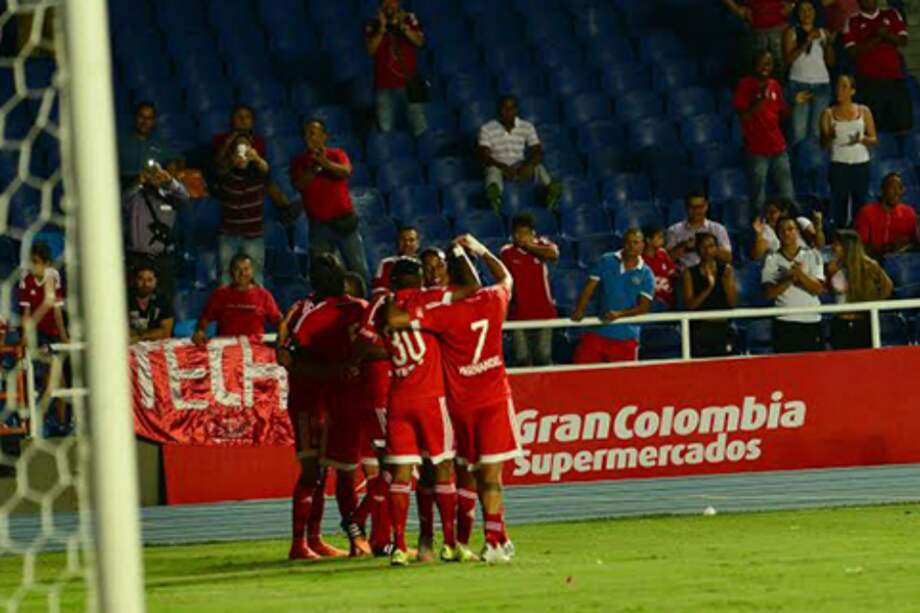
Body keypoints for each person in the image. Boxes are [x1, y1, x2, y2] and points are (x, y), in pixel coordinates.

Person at [387, 236, 521, 564]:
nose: (434, 272)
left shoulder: (439, 311)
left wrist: (391, 298)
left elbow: (395, 321)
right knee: (486, 475)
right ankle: (488, 538)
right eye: (429, 267)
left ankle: (474, 539)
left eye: (440, 266)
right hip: (491, 398)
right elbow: (506, 277)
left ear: (450, 272)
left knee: (465, 473)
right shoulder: (493, 298)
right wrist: (480, 249)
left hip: (458, 404)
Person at [359, 257, 459, 566]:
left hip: (399, 398)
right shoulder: (426, 300)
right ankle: (450, 544)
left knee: (401, 474)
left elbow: (368, 340)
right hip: (431, 398)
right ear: (417, 278)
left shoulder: (385, 307)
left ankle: (400, 546)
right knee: (442, 468)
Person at [287, 255, 372, 559]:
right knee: (323, 473)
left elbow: (288, 355)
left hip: (337, 400)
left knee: (337, 473)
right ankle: (305, 542)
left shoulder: (317, 312)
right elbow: (289, 357)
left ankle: (323, 541)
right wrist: (338, 371)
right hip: (317, 399)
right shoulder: (321, 311)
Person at [290, 120, 369, 284]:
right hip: (319, 226)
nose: (308, 138)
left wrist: (325, 163)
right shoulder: (299, 161)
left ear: (324, 136)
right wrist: (313, 167)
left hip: (345, 222)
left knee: (358, 269)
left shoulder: (337, 154)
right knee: (321, 273)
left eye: (312, 133)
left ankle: (364, 298)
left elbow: (346, 171)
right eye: (305, 134)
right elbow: (300, 185)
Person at [734, 51, 811, 211]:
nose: (765, 67)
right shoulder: (745, 85)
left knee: (788, 193)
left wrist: (794, 102)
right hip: (756, 150)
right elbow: (742, 116)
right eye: (762, 63)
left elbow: (782, 113)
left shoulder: (774, 85)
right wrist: (759, 101)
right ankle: (759, 225)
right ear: (755, 64)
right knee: (758, 196)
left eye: (769, 64)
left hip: (778, 147)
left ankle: (791, 222)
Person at [571, 228, 655, 364]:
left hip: (626, 336)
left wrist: (619, 314)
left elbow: (643, 307)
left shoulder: (647, 274)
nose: (631, 246)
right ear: (623, 243)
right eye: (628, 242)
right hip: (598, 331)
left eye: (635, 242)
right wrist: (580, 309)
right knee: (581, 370)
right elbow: (589, 287)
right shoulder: (606, 260)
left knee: (622, 377)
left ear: (642, 245)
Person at [478, 95, 562, 212]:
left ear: (516, 110)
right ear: (499, 110)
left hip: (520, 165)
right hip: (498, 165)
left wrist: (528, 164)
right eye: (504, 108)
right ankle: (494, 197)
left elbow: (537, 151)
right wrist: (503, 167)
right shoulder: (487, 128)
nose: (508, 112)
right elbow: (484, 156)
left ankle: (550, 190)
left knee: (538, 166)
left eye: (512, 108)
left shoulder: (527, 126)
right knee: (492, 171)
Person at [19, 242, 70, 435]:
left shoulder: (53, 277)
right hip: (37, 334)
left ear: (47, 263)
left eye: (36, 262)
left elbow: (57, 310)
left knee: (60, 380)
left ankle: (61, 423)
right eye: (31, 261)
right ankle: (42, 421)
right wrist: (24, 337)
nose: (33, 266)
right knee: (51, 374)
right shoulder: (25, 279)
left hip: (53, 333)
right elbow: (26, 312)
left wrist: (63, 335)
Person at [121, 160, 189, 303]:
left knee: (166, 299)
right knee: (133, 299)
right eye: (150, 173)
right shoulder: (135, 196)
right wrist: (139, 180)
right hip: (137, 258)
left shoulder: (170, 196)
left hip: (162, 258)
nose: (153, 177)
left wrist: (169, 181)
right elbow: (123, 200)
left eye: (156, 173)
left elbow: (184, 198)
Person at [842, 0, 912, 134]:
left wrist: (887, 34)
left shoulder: (892, 14)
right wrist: (878, 37)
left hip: (894, 78)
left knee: (903, 126)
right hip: (869, 81)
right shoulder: (852, 21)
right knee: (872, 127)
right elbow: (852, 52)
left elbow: (903, 40)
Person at [499, 213, 559, 367]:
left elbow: (554, 255)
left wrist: (529, 246)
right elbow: (504, 283)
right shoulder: (507, 253)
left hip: (544, 313)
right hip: (518, 314)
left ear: (533, 233)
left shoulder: (544, 245)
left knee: (543, 356)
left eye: (525, 233)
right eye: (517, 233)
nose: (521, 237)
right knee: (521, 357)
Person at [820, 74, 878, 227]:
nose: (839, 90)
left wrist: (861, 139)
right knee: (840, 204)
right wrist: (830, 135)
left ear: (852, 91)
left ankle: (859, 235)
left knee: (860, 204)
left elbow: (874, 139)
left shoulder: (864, 111)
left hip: (861, 163)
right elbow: (823, 144)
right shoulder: (828, 113)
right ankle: (840, 235)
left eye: (844, 87)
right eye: (838, 86)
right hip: (839, 164)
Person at [762, 217, 826, 353]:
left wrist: (801, 275)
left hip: (811, 321)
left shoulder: (813, 255)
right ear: (777, 234)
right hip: (784, 322)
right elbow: (768, 293)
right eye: (782, 230)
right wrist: (791, 278)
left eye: (790, 229)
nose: (786, 233)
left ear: (797, 231)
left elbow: (818, 289)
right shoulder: (771, 259)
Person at [214, 132, 271, 285]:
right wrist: (232, 161)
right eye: (238, 149)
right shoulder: (226, 173)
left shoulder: (257, 172)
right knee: (225, 275)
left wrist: (256, 158)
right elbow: (219, 169)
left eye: (246, 148)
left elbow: (266, 169)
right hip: (229, 234)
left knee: (256, 276)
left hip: (253, 234)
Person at [211, 104, 291, 213]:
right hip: (229, 175)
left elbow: (261, 167)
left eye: (247, 117)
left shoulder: (258, 141)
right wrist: (229, 143)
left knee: (265, 176)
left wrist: (253, 155)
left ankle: (286, 208)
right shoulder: (221, 138)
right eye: (239, 117)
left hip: (252, 175)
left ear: (252, 122)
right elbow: (217, 163)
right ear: (232, 121)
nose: (243, 120)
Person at [365, 0, 428, 136]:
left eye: (393, 1)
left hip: (409, 84)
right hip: (384, 85)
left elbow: (419, 42)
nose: (390, 5)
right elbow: (370, 50)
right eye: (386, 2)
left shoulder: (409, 18)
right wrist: (381, 29)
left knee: (420, 126)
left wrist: (403, 26)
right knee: (386, 129)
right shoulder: (373, 23)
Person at [192, 253, 282, 345]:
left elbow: (279, 321)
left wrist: (283, 337)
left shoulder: (264, 295)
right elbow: (204, 319)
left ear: (252, 271)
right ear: (231, 272)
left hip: (256, 348)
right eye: (237, 269)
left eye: (246, 269)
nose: (242, 273)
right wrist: (200, 331)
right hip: (226, 348)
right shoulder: (220, 294)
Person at [825, 228, 893, 349]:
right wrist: (830, 275)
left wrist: (872, 302)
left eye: (837, 244)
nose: (833, 247)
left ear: (848, 246)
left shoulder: (869, 265)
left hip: (862, 322)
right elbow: (830, 292)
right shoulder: (833, 267)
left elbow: (887, 287)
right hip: (840, 322)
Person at [784, 0, 834, 146]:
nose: (807, 13)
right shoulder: (791, 32)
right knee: (799, 132)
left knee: (817, 132)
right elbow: (788, 60)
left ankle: (815, 160)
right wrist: (806, 41)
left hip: (822, 85)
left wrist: (828, 44)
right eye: (803, 10)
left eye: (810, 10)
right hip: (799, 84)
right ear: (798, 14)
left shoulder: (823, 32)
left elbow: (831, 62)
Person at [682, 233, 738, 357]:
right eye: (703, 247)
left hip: (722, 325)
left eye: (711, 246)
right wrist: (709, 288)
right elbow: (690, 306)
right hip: (700, 328)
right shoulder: (689, 273)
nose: (707, 250)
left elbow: (733, 304)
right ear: (697, 250)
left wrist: (727, 285)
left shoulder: (726, 270)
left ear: (717, 248)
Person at [854, 172, 919, 258]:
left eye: (900, 188)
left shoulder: (909, 212)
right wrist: (888, 248)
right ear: (882, 190)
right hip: (874, 261)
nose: (897, 192)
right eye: (892, 188)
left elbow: (915, 243)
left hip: (904, 261)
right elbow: (860, 247)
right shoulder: (866, 213)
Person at [722, 0, 795, 76]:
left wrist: (792, 4)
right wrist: (736, 9)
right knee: (754, 70)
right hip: (755, 29)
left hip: (779, 28)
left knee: (780, 69)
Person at [117, 102, 179, 187]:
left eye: (149, 118)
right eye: (141, 117)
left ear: (154, 121)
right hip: (124, 185)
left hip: (151, 187)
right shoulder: (120, 139)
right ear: (135, 117)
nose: (144, 122)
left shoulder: (160, 143)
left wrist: (172, 166)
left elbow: (177, 160)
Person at [666, 192, 733, 269]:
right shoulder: (674, 230)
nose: (696, 211)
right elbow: (667, 260)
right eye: (692, 207)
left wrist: (709, 247)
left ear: (706, 206)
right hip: (684, 272)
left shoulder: (718, 229)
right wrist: (684, 246)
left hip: (712, 271)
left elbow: (728, 257)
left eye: (700, 207)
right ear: (686, 208)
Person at [751, 198, 825, 260]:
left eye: (772, 212)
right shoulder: (766, 230)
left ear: (783, 212)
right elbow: (756, 256)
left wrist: (818, 227)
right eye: (766, 213)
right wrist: (759, 235)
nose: (768, 216)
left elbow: (819, 245)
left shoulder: (800, 222)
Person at [127, 265, 175, 343]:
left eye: (150, 280)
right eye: (141, 279)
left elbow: (166, 332)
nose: (146, 284)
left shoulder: (162, 299)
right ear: (134, 280)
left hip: (156, 345)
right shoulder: (124, 298)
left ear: (156, 281)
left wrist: (140, 337)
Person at [372, 226, 421, 293]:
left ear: (418, 243)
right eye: (403, 240)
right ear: (397, 242)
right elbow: (379, 289)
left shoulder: (424, 263)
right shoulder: (386, 263)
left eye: (411, 240)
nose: (407, 243)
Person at [641, 225, 678, 310]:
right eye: (659, 237)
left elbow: (672, 272)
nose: (662, 240)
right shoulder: (640, 259)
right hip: (652, 300)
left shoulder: (663, 253)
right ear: (649, 240)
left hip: (668, 297)